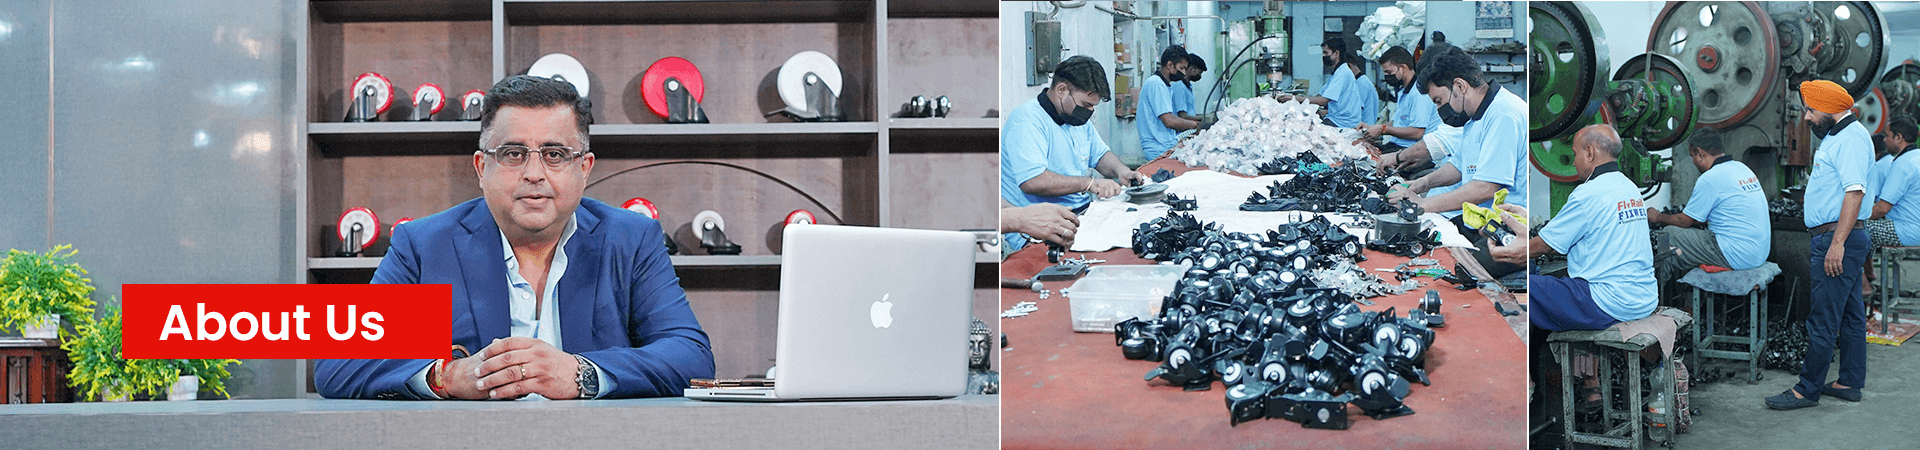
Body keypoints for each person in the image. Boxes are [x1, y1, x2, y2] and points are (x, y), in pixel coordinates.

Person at [316, 75, 716, 400]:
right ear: (481, 166)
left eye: (555, 154)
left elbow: (690, 355)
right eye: (512, 153)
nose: (534, 174)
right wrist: (449, 376)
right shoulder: (423, 244)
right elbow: (338, 364)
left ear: (585, 168)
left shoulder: (630, 239)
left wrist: (582, 374)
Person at [1767, 79, 1873, 410]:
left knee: (1823, 318)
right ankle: (1849, 381)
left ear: (1828, 110)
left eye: (1811, 111)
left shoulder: (1849, 140)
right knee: (1851, 315)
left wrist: (1837, 243)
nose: (1808, 118)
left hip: (1836, 237)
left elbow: (1854, 191)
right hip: (1838, 236)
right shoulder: (1839, 136)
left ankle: (1806, 389)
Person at [1388, 45, 1529, 277]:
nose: (1440, 109)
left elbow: (1484, 188)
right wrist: (1421, 185)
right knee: (1419, 246)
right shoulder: (1475, 117)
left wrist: (1421, 205)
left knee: (1445, 271)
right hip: (1480, 221)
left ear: (1460, 86)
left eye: (1439, 101)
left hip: (1509, 229)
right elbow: (1460, 167)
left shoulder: (1503, 114)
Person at [1003, 56, 1145, 251]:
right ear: (1062, 90)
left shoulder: (1075, 119)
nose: (1089, 112)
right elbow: (1033, 181)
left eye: (1093, 107)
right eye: (1086, 105)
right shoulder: (1027, 122)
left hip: (1079, 215)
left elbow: (1101, 156)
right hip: (1039, 229)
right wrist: (1089, 184)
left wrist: (1122, 171)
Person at [1527, 124, 1657, 331]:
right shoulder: (1629, 187)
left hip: (1610, 304)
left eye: (1575, 153)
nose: (1574, 161)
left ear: (1589, 153)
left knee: (1527, 287)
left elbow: (1544, 246)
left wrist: (1510, 252)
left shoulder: (1587, 193)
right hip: (1645, 299)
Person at [1646, 127, 1771, 279]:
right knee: (1690, 241)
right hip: (1759, 253)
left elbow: (1683, 221)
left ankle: (1657, 296)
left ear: (1700, 153)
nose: (1693, 161)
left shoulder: (1710, 178)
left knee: (1669, 235)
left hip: (1738, 255)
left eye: (1692, 156)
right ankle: (1687, 300)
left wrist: (1657, 216)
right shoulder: (1742, 168)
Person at [1279, 37, 1376, 129]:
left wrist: (1293, 98)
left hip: (1342, 122)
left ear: (1336, 53)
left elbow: (1323, 100)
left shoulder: (1343, 73)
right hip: (1336, 118)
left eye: (1326, 53)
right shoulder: (1336, 72)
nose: (1323, 56)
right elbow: (1320, 95)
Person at [1360, 46, 1440, 156]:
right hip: (1397, 145)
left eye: (1389, 72)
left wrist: (1383, 129)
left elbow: (1417, 132)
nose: (1387, 77)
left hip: (1410, 150)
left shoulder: (1418, 93)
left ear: (1402, 68)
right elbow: (1398, 122)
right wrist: (1371, 129)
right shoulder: (1404, 91)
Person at [1137, 46, 1203, 160]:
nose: (1183, 72)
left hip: (1165, 144)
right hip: (1157, 148)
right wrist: (1195, 125)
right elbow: (1169, 120)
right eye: (1181, 68)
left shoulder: (1165, 86)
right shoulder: (1156, 84)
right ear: (1170, 65)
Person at [1868, 116, 1920, 247]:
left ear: (1898, 138)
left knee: (1853, 226)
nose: (1884, 140)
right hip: (1914, 227)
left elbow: (1882, 209)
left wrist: (1852, 215)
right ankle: (1868, 268)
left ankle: (1856, 268)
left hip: (1906, 231)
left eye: (1887, 136)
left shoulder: (1902, 164)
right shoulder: (1916, 157)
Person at [1172, 52, 1209, 123]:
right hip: (1182, 131)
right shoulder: (1179, 87)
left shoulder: (1188, 87)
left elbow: (1190, 112)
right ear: (1192, 69)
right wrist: (1204, 118)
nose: (1199, 76)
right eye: (1199, 72)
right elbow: (1183, 116)